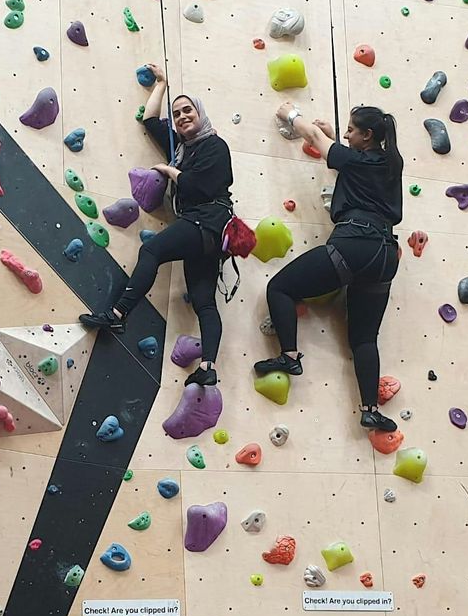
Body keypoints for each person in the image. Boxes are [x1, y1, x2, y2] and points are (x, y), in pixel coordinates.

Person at [81, 66, 235, 388]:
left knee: (151, 249)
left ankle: (118, 315)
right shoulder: (181, 149)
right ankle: (207, 366)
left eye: (187, 110)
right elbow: (150, 121)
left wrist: (168, 169)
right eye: (177, 114)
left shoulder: (214, 147)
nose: (181, 117)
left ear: (200, 113)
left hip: (206, 220)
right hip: (206, 231)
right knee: (203, 300)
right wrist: (162, 84)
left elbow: (194, 186)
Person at [255, 104, 403, 433]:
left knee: (279, 287)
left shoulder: (354, 159)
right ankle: (370, 409)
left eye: (352, 130)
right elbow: (356, 167)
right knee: (365, 339)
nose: (346, 133)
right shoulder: (391, 163)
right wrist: (338, 139)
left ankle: (289, 355)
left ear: (367, 136)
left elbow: (311, 135)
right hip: (385, 256)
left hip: (354, 243)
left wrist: (290, 114)